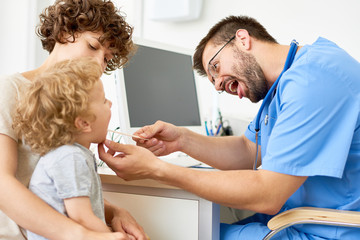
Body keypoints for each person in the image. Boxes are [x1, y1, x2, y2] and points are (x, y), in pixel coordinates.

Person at [98, 15, 360, 240]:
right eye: (213, 82)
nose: (218, 86)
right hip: (298, 220)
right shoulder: (286, 83)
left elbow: (268, 193)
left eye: (216, 67)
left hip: (325, 230)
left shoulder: (313, 80)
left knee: (176, 231)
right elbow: (249, 149)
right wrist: (181, 140)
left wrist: (158, 170)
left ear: (243, 39)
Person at [0, 0, 146, 239]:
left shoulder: (78, 108)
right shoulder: (9, 90)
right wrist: (81, 234)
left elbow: (62, 185)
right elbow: (1, 185)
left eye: (107, 59)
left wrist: (114, 211)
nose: (99, 63)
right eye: (92, 46)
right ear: (64, 32)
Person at [13, 57, 115, 239]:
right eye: (104, 100)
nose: (110, 104)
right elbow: (82, 218)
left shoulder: (70, 154)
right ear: (83, 123)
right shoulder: (70, 157)